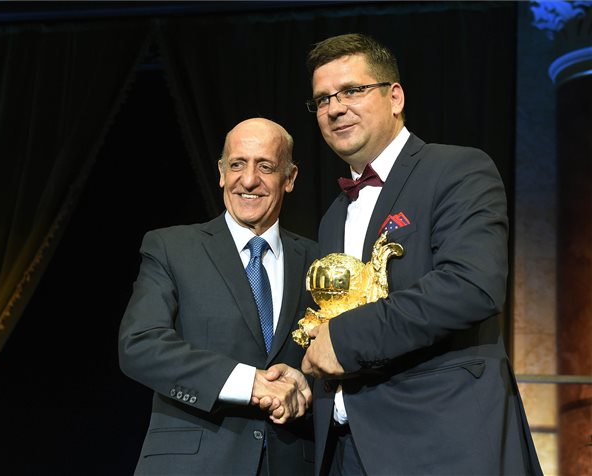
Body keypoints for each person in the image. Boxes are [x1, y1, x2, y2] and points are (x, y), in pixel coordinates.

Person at [300, 33, 542, 475]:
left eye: (352, 90)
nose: (335, 108)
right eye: (322, 100)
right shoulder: (334, 215)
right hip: (347, 450)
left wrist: (344, 339)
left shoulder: (457, 169)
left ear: (395, 97)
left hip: (440, 444)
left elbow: (471, 286)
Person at [119, 117, 317, 475]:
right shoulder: (172, 247)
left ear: (289, 178)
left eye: (265, 166)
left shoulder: (318, 261)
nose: (249, 180)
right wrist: (249, 382)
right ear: (221, 173)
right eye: (237, 164)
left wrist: (306, 387)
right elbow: (140, 345)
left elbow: (337, 361)